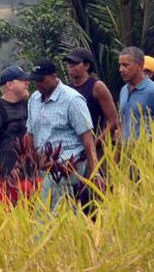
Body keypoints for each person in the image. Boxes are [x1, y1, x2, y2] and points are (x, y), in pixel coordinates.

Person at [26, 58, 102, 210]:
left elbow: (88, 139)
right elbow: (30, 133)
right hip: (43, 167)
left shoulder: (72, 99)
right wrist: (28, 163)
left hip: (68, 167)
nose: (38, 84)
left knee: (47, 215)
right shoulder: (34, 99)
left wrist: (95, 173)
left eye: (42, 80)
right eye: (35, 80)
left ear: (54, 76)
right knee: (56, 212)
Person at [118, 46, 154, 149]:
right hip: (127, 156)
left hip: (148, 156)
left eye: (125, 65)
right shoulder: (124, 90)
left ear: (140, 65)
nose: (121, 69)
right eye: (120, 65)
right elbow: (122, 125)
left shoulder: (153, 92)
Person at [65, 48, 119, 146]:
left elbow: (114, 121)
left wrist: (95, 142)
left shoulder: (97, 86)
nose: (70, 66)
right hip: (74, 147)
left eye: (75, 63)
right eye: (69, 63)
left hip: (95, 146)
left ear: (86, 65)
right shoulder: (68, 89)